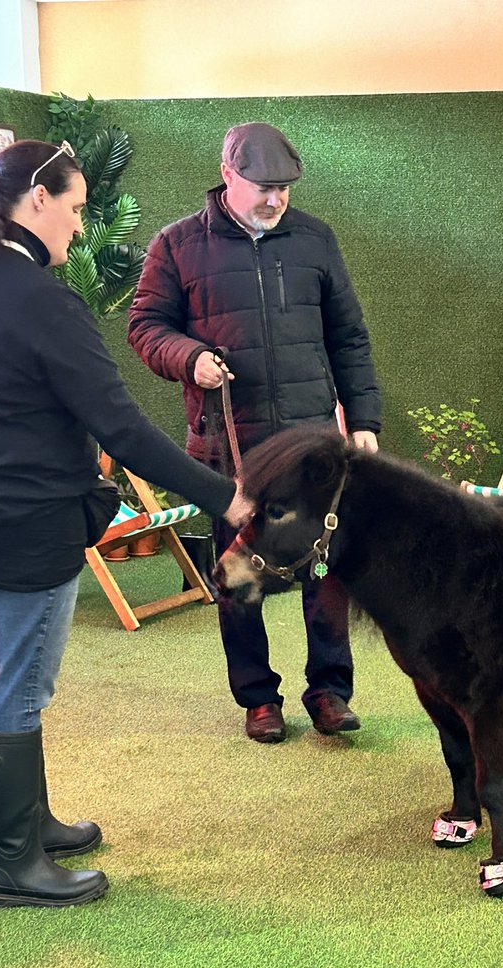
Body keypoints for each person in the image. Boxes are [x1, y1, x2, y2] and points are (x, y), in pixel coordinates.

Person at [0, 139, 251, 908]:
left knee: (8, 678)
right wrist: (225, 495)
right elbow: (125, 430)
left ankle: (28, 825)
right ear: (37, 200)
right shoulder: (43, 301)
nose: (78, 227)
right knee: (18, 690)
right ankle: (10, 864)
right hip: (32, 524)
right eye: (74, 208)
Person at [128, 122, 382, 745]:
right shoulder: (177, 244)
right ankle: (258, 699)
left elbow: (348, 337)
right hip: (227, 446)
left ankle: (330, 693)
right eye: (265, 187)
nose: (275, 199)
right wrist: (188, 357)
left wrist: (365, 422)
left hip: (313, 444)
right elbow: (146, 327)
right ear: (229, 176)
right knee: (237, 575)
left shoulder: (316, 239)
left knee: (325, 571)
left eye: (285, 189)